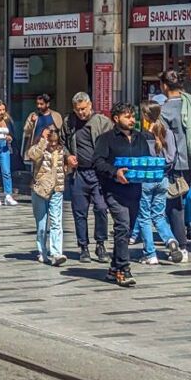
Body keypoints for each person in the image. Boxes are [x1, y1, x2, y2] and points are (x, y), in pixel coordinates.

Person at [93, 102, 148, 288]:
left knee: (127, 230)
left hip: (135, 190)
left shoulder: (140, 138)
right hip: (113, 191)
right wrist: (115, 172)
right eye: (127, 116)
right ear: (116, 119)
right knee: (122, 225)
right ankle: (124, 270)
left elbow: (145, 160)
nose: (132, 120)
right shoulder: (106, 139)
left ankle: (113, 268)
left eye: (133, 116)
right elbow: (98, 163)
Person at [63, 92, 113, 263]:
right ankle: (83, 246)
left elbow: (112, 143)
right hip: (79, 174)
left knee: (101, 208)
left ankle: (100, 244)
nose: (81, 113)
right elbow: (62, 143)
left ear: (90, 105)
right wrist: (67, 156)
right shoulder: (69, 122)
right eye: (77, 110)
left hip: (98, 174)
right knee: (79, 211)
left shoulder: (102, 122)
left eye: (83, 109)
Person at [159, 70, 191, 243]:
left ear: (164, 85)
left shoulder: (165, 109)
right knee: (186, 197)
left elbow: (164, 139)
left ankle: (181, 244)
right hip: (190, 158)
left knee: (174, 205)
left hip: (174, 163)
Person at [136, 102, 185, 265]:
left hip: (146, 179)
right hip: (163, 178)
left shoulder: (143, 135)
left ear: (145, 116)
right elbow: (171, 158)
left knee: (144, 217)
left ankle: (150, 253)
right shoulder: (168, 133)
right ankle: (170, 240)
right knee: (158, 215)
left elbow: (139, 158)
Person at [27, 125, 68, 266]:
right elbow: (32, 156)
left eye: (55, 142)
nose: (53, 144)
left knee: (56, 222)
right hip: (40, 190)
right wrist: (43, 141)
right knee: (42, 223)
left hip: (57, 189)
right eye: (51, 141)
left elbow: (66, 166)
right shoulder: (39, 148)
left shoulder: (63, 150)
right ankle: (42, 251)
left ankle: (56, 253)